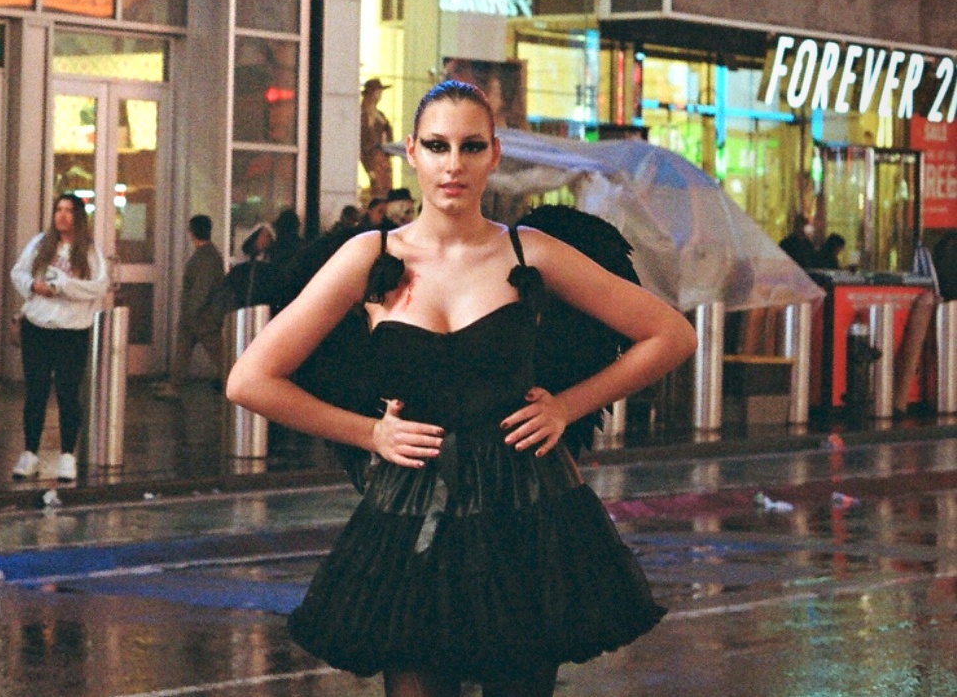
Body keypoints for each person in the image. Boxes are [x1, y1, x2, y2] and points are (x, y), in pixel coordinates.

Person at [227, 80, 695, 695]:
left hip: (528, 513)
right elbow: (250, 379)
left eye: (471, 147)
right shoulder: (368, 257)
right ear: (412, 155)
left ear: (493, 156)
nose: (454, 164)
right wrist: (367, 431)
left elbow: (670, 335)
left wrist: (568, 406)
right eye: (437, 146)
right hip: (412, 514)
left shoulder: (535, 253)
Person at [9, 193, 109, 482]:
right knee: (35, 391)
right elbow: (18, 272)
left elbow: (98, 287)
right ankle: (29, 452)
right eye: (58, 210)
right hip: (37, 327)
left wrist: (63, 287)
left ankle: (67, 454)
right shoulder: (41, 244)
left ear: (79, 216)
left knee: (68, 392)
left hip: (72, 331)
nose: (62, 216)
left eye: (69, 210)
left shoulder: (89, 250)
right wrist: (33, 286)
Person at [157, 214, 227, 397]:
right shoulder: (210, 256)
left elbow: (200, 290)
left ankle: (236, 385)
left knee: (218, 355)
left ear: (192, 232)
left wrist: (190, 312)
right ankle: (174, 385)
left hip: (202, 317)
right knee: (185, 350)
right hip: (200, 316)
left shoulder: (205, 258)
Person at [225, 223, 275, 309]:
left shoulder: (270, 268)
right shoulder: (240, 267)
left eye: (267, 237)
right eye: (262, 236)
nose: (264, 240)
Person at [361, 78, 395, 198]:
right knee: (378, 190)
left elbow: (389, 135)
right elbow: (363, 143)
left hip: (382, 157)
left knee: (386, 189)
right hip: (373, 158)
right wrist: (369, 169)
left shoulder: (379, 115)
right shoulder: (364, 115)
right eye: (378, 91)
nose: (380, 94)